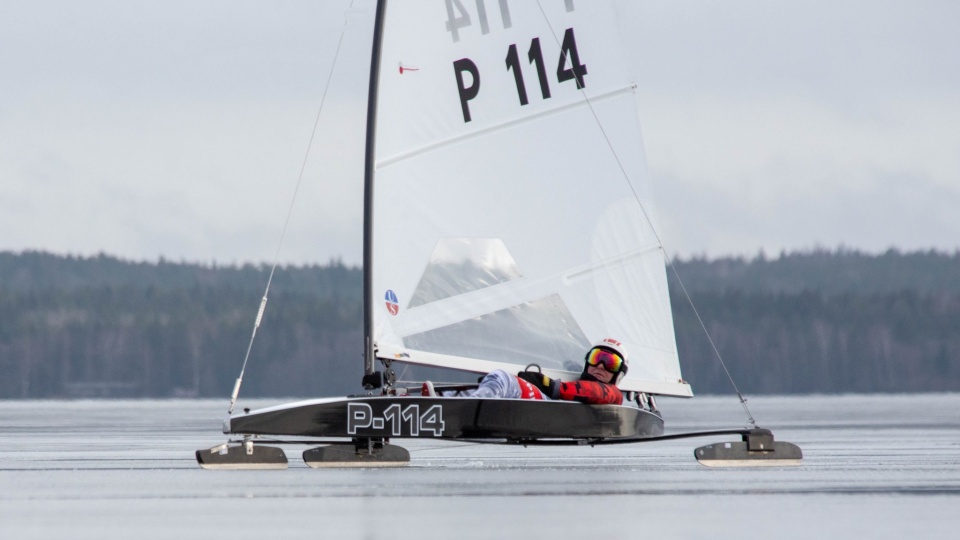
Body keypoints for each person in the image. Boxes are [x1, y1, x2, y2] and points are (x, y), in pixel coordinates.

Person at [421, 338, 627, 405]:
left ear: (619, 374)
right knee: (491, 385)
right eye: (596, 357)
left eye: (610, 362)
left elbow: (589, 391)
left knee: (503, 380)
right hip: (546, 407)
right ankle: (434, 400)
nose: (600, 366)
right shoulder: (578, 381)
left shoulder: (611, 393)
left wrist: (547, 384)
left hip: (550, 408)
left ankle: (463, 407)